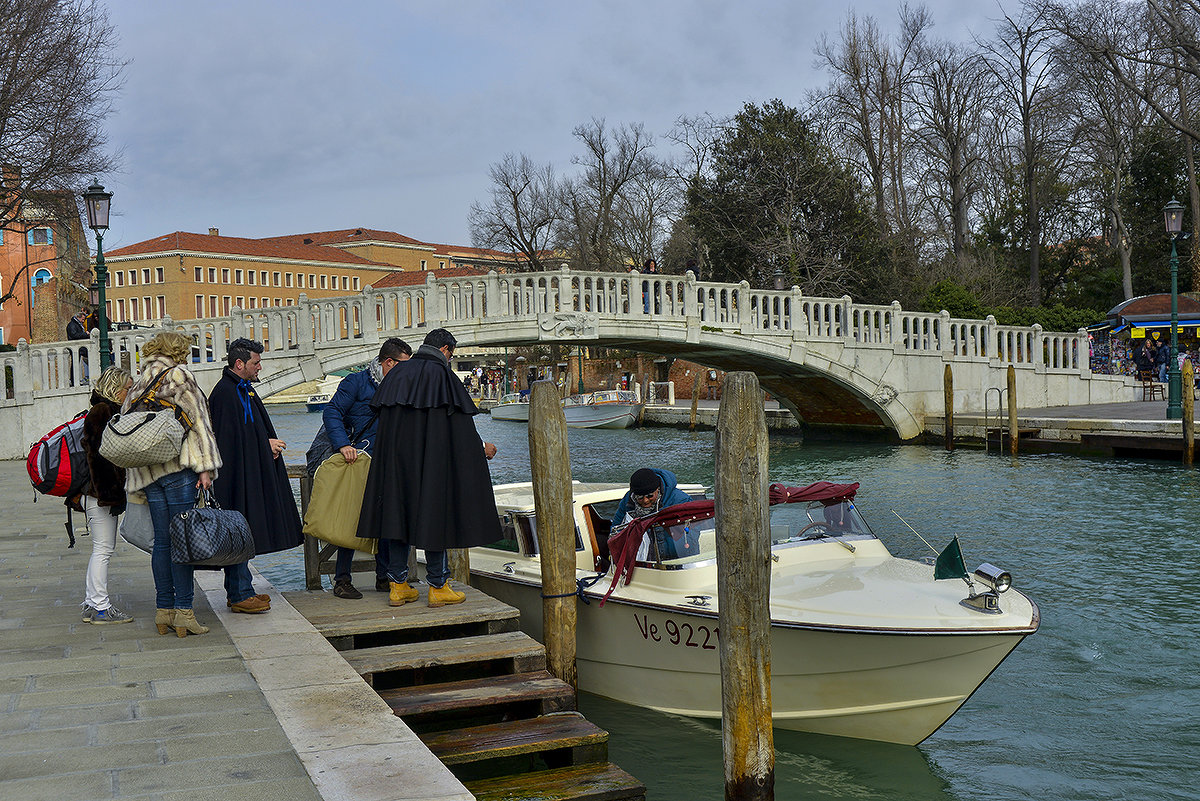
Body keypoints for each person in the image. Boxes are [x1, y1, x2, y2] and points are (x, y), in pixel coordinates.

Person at [357, 328, 501, 608]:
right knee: (437, 518)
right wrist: (480, 449)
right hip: (432, 463)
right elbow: (461, 430)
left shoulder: (396, 373)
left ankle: (398, 587)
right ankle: (438, 586)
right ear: (446, 350)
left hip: (396, 465)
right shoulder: (444, 376)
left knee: (396, 518)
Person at [123, 331, 223, 637]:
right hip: (179, 469)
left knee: (162, 544)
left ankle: (163, 611)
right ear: (177, 351)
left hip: (150, 472)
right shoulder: (179, 376)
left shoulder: (140, 381)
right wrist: (206, 468)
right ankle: (184, 613)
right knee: (182, 542)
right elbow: (200, 423)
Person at [209, 338, 303, 614]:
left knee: (243, 531)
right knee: (239, 530)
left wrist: (264, 442)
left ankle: (241, 589)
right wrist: (266, 445)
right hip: (235, 477)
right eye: (256, 363)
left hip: (245, 472)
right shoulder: (227, 393)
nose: (260, 367)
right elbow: (229, 440)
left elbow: (245, 431)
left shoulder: (241, 389)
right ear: (240, 364)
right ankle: (240, 593)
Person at [322, 337, 411, 599]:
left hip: (388, 462)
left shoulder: (402, 385)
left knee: (387, 519)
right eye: (403, 366)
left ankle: (384, 577)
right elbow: (332, 412)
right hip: (358, 459)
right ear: (388, 362)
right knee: (350, 519)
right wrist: (342, 445)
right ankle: (342, 579)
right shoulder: (356, 382)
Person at [70, 365, 133, 624]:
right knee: (103, 549)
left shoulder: (105, 411)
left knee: (101, 548)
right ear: (116, 389)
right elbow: (98, 458)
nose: (130, 393)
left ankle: (91, 602)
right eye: (128, 388)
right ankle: (100, 608)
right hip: (99, 493)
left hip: (98, 492)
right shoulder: (103, 412)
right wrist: (111, 495)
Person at [610, 468, 695, 561]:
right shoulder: (628, 500)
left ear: (657, 490)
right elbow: (616, 528)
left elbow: (692, 533)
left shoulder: (681, 500)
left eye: (650, 496)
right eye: (640, 497)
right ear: (634, 495)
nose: (645, 501)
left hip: (677, 560)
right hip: (643, 560)